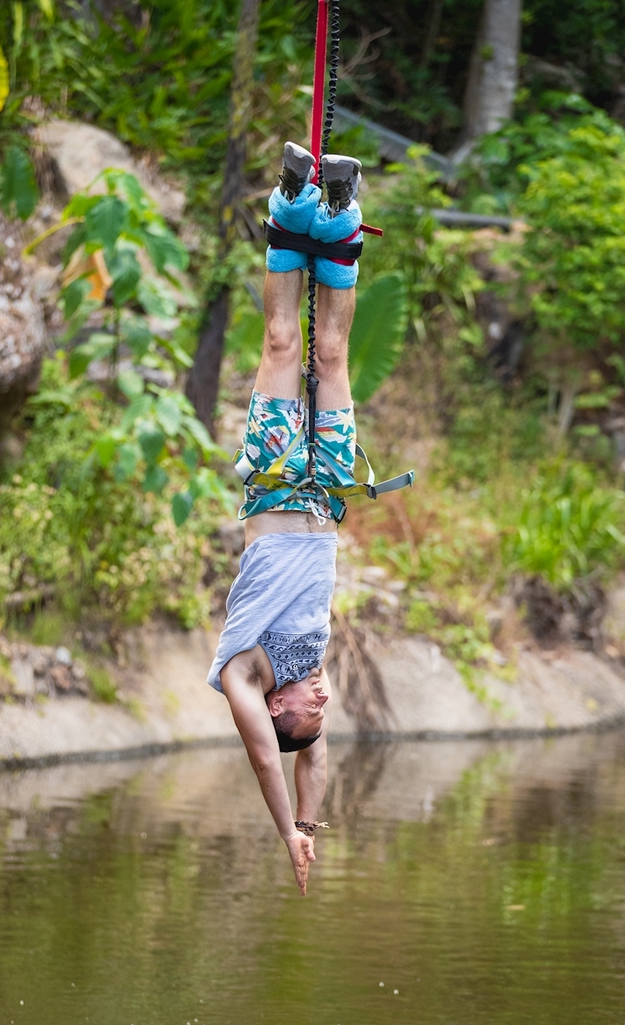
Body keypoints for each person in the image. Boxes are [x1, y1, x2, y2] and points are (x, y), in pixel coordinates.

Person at [207, 141, 364, 896]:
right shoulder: (310, 666)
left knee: (279, 341)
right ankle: (339, 214)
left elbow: (273, 755)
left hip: (272, 484)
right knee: (329, 356)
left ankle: (288, 204)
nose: (322, 700)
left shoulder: (244, 673)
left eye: (307, 711)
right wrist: (312, 825)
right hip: (327, 487)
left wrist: (281, 833)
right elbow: (313, 754)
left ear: (276, 706)